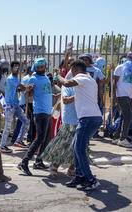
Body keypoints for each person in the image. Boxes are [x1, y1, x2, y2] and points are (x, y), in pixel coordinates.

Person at [56, 59, 102, 191]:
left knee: (79, 149)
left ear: (75, 70)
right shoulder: (90, 80)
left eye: (71, 70)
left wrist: (59, 74)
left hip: (88, 119)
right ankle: (80, 176)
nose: (70, 72)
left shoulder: (81, 78)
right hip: (92, 118)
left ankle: (90, 180)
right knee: (76, 147)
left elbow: (66, 82)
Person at [17, 58, 52, 176]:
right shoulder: (33, 78)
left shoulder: (46, 77)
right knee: (40, 138)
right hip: (40, 111)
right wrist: (27, 90)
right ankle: (24, 162)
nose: (40, 69)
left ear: (45, 67)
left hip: (47, 111)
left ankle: (38, 161)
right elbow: (27, 94)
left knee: (46, 138)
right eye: (38, 67)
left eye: (41, 67)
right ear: (35, 68)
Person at [40, 71, 78, 178]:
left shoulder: (80, 87)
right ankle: (54, 165)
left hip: (80, 120)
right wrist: (78, 95)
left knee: (78, 147)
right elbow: (65, 100)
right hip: (70, 121)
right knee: (64, 145)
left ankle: (72, 168)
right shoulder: (67, 87)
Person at [112, 51, 132, 148]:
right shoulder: (119, 67)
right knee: (128, 115)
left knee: (123, 116)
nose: (130, 58)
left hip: (129, 95)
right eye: (129, 56)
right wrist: (114, 97)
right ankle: (123, 138)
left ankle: (116, 137)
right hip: (121, 94)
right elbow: (114, 83)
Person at [0, 61, 29, 153]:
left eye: (18, 67)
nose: (17, 69)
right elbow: (22, 87)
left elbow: (18, 89)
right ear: (11, 68)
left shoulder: (15, 78)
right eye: (15, 67)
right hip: (10, 106)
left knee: (25, 121)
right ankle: (2, 146)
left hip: (15, 105)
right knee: (7, 127)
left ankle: (18, 140)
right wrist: (29, 87)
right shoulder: (11, 79)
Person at [11, 66, 36, 144]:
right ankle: (28, 138)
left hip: (25, 102)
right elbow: (24, 90)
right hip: (26, 103)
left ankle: (15, 138)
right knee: (30, 120)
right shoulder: (28, 79)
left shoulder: (27, 78)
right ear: (30, 71)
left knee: (21, 121)